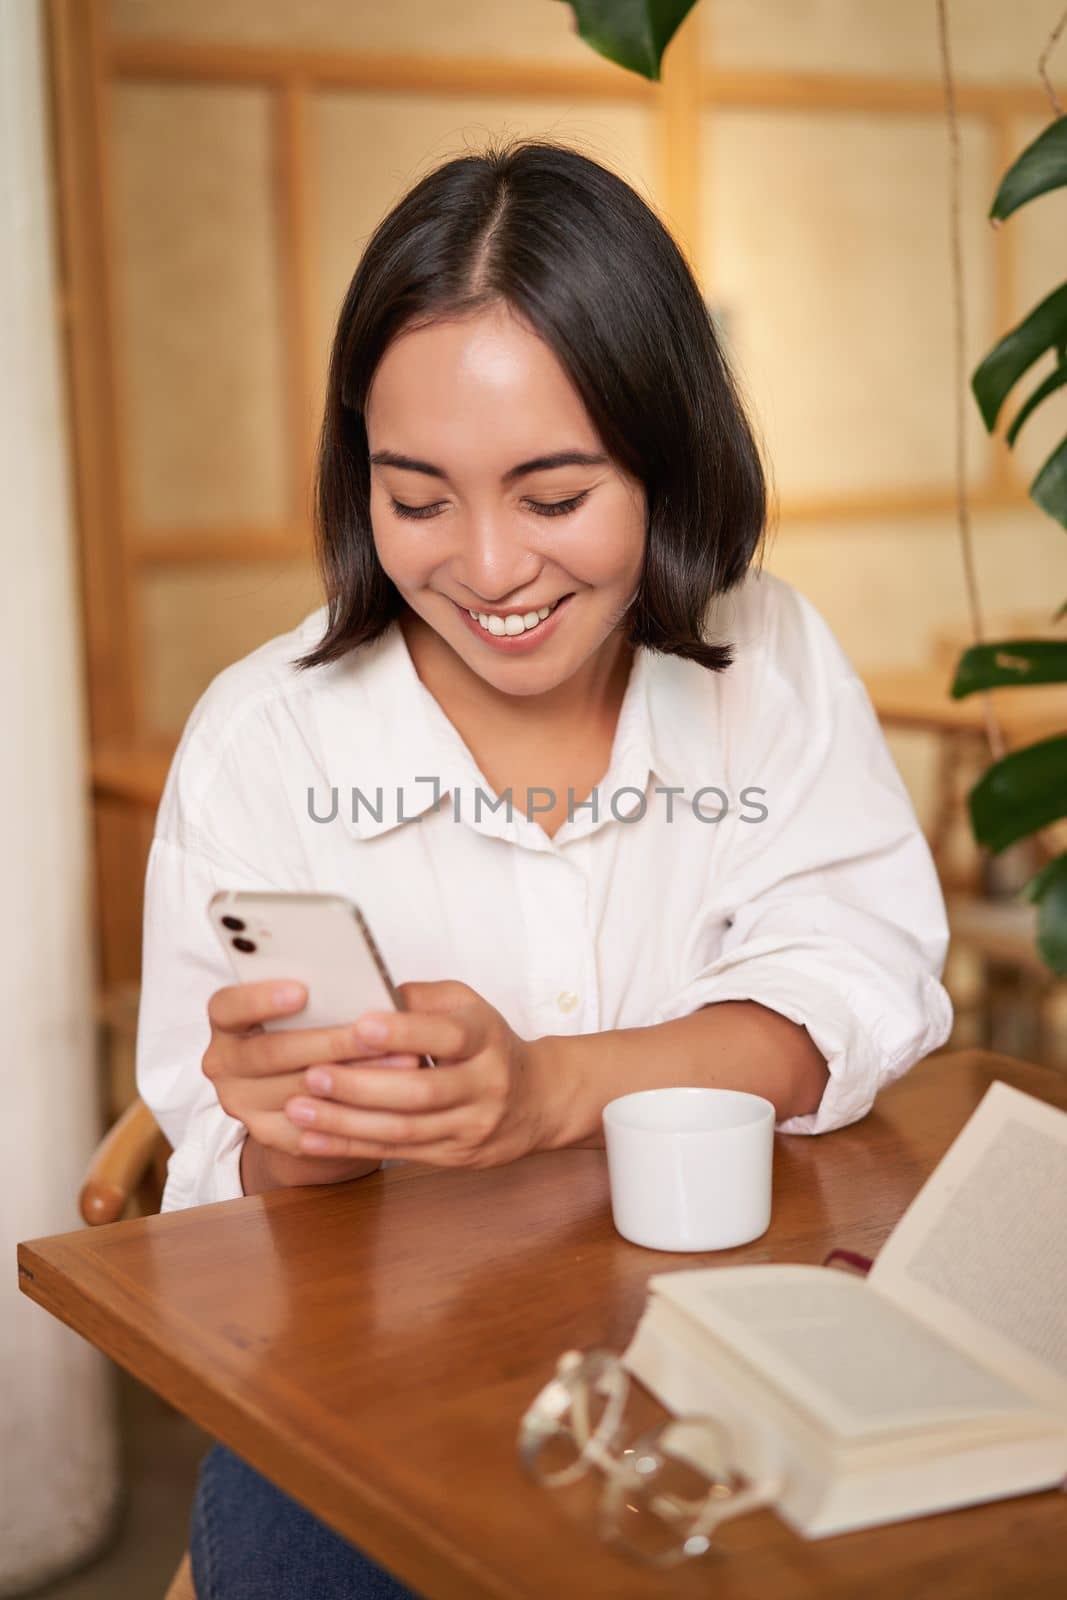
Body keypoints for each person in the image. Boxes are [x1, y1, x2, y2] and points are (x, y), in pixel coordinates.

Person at [136, 136, 952, 1599]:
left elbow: (855, 980)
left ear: (667, 454)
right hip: (372, 1392)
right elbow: (223, 1189)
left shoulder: (767, 664)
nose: (490, 568)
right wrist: (299, 1129)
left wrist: (546, 1087)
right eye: (418, 498)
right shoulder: (267, 739)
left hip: (737, 1334)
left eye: (555, 496)